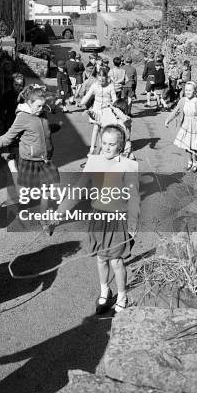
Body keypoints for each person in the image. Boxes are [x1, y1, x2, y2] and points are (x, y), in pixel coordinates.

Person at [55, 125, 140, 314]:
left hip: (118, 220)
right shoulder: (93, 162)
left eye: (112, 144)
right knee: (101, 258)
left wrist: (133, 224)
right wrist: (59, 213)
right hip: (98, 218)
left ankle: (122, 295)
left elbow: (134, 197)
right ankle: (104, 291)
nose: (107, 148)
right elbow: (78, 190)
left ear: (121, 146)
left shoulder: (128, 166)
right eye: (104, 143)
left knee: (116, 261)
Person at [0, 85, 60, 225]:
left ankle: (44, 219)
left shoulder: (41, 113)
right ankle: (11, 165)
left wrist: (55, 127)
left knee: (50, 187)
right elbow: (8, 137)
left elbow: (41, 129)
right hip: (29, 161)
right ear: (29, 103)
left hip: (45, 161)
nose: (41, 109)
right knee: (24, 194)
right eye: (38, 106)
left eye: (43, 106)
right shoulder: (22, 117)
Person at [165, 81, 197, 172]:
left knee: (193, 146)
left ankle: (195, 163)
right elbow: (176, 111)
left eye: (190, 90)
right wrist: (168, 120)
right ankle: (189, 162)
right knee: (186, 145)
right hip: (185, 125)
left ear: (195, 91)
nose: (188, 92)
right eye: (186, 90)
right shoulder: (182, 100)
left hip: (195, 126)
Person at [80, 68, 117, 155]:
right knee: (96, 127)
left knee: (104, 130)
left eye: (103, 77)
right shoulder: (94, 85)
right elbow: (88, 95)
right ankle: (92, 148)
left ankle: (103, 149)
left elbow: (114, 99)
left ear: (106, 77)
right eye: (99, 77)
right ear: (97, 77)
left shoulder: (110, 86)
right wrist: (82, 102)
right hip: (96, 109)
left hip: (107, 110)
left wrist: (116, 108)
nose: (101, 80)